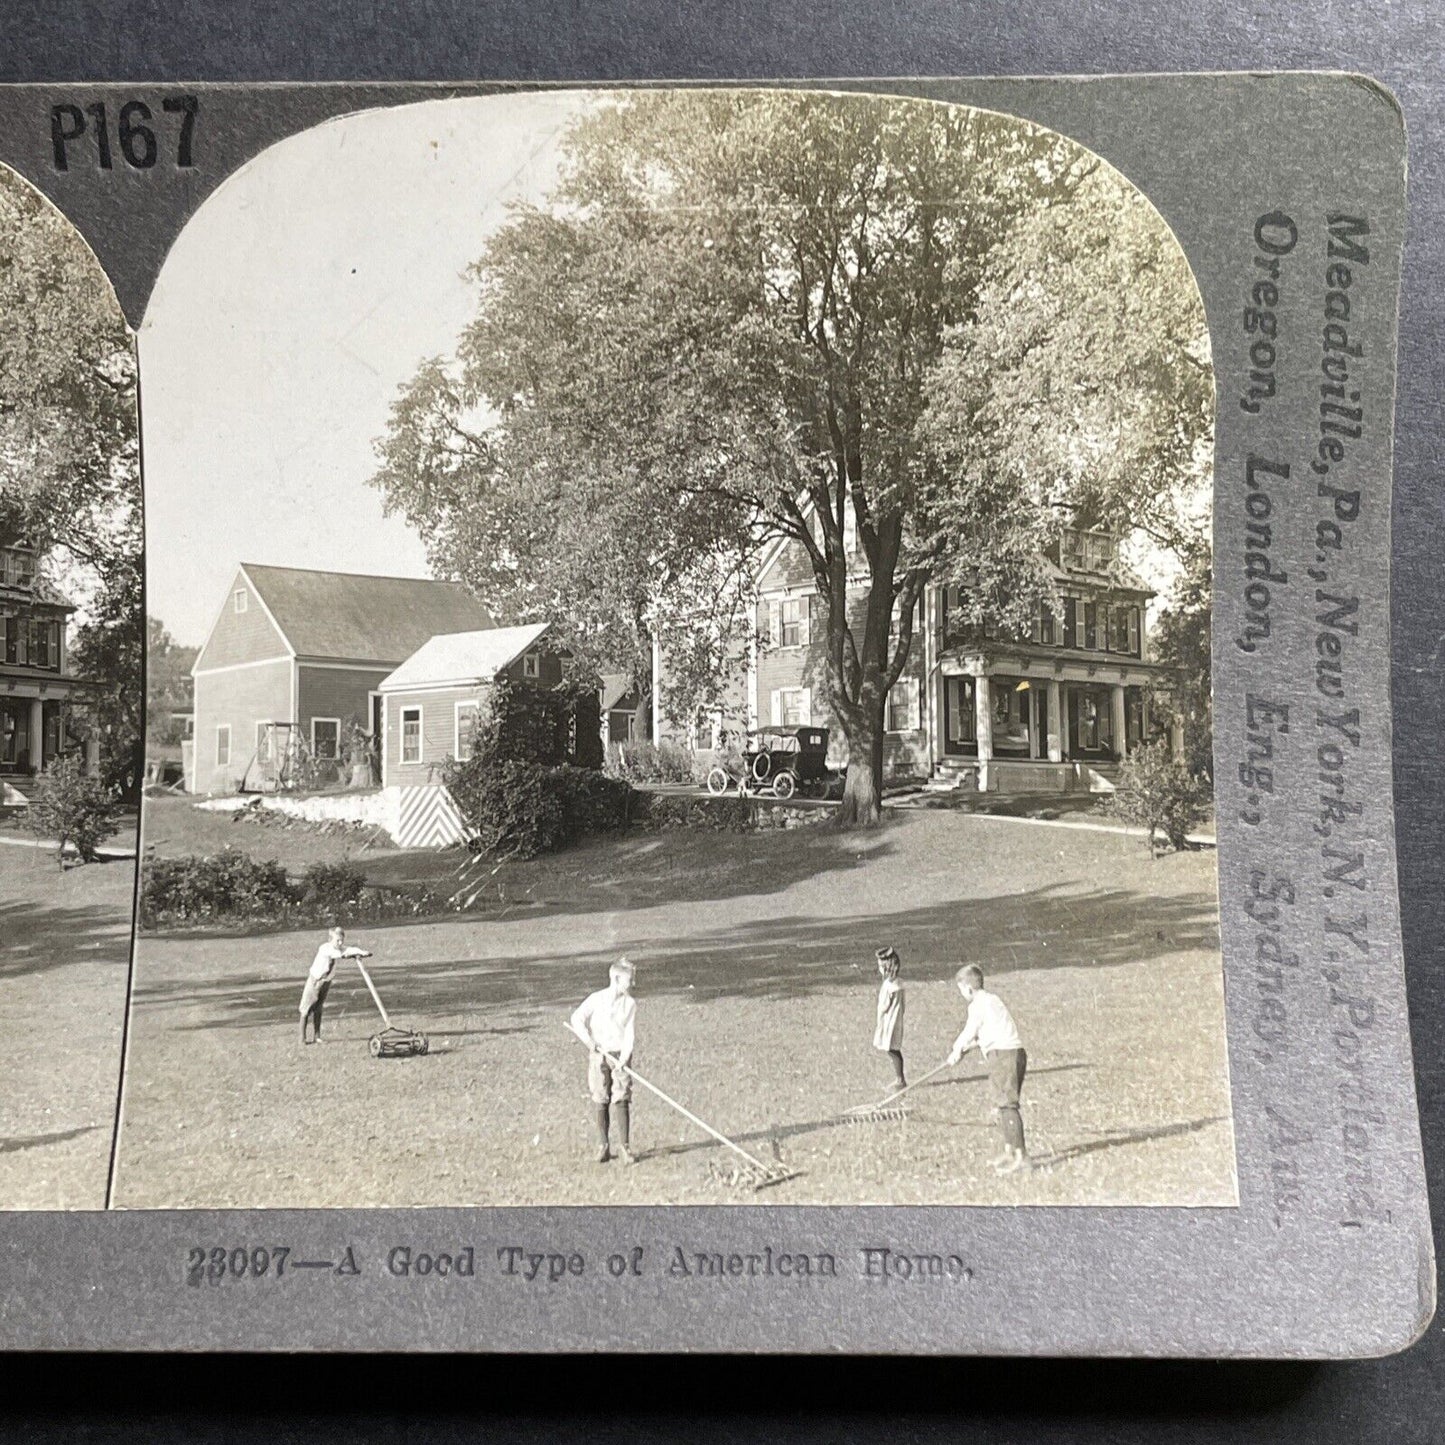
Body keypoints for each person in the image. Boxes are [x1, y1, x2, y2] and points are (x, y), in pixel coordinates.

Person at [946, 964, 1028, 1174]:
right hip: (1012, 1054)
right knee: (1003, 1104)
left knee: (1008, 1105)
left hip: (1003, 1057)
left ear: (968, 988)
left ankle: (1021, 1157)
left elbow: (970, 1030)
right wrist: (967, 1048)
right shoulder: (993, 1000)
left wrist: (956, 1049)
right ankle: (1009, 1151)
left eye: (961, 990)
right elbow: (986, 1034)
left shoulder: (977, 1005)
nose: (962, 994)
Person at [568, 957, 637, 1165]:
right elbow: (576, 1019)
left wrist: (624, 1059)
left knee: (622, 1096)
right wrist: (589, 1042)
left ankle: (624, 1147)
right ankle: (603, 1146)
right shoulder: (596, 999)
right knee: (601, 1097)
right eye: (630, 979)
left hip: (620, 1056)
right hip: (599, 1055)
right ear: (616, 978)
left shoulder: (630, 1004)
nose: (633, 984)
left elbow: (629, 1035)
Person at [299, 926, 370, 1045]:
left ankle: (317, 1037)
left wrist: (362, 952)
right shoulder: (325, 948)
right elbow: (337, 954)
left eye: (342, 940)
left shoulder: (339, 948)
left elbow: (349, 949)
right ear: (330, 939)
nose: (340, 943)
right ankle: (302, 1039)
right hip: (315, 980)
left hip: (326, 982)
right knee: (306, 1008)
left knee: (319, 1008)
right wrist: (346, 955)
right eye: (337, 940)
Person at [872, 946, 906, 1090]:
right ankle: (900, 1078)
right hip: (897, 1019)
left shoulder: (888, 986)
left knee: (891, 1049)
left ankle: (900, 1079)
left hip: (889, 1021)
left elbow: (884, 1005)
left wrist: (879, 1014)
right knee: (893, 1048)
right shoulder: (899, 983)